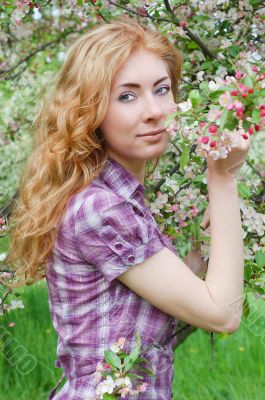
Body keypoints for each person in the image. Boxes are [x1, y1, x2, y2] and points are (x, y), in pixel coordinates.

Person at [7, 18, 251, 400]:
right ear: (90, 111)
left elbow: (162, 299)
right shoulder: (100, 210)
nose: (154, 111)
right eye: (127, 95)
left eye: (162, 89)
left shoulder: (118, 196)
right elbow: (223, 313)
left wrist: (212, 236)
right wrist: (223, 178)